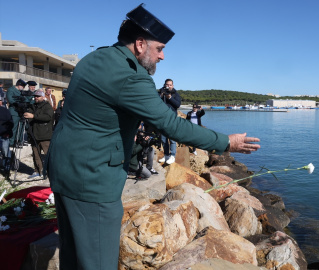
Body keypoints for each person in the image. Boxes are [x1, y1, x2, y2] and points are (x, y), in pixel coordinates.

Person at [45, 4, 260, 270]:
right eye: (159, 48)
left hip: (63, 168)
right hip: (92, 179)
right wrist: (227, 142)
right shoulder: (129, 76)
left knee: (72, 255)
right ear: (139, 44)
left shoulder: (95, 59)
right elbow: (172, 125)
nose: (162, 56)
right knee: (97, 261)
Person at [23, 90, 54, 179]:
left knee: (48, 155)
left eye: (38, 96)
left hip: (44, 135)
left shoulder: (47, 106)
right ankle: (38, 170)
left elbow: (48, 117)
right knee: (36, 155)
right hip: (34, 134)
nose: (36, 98)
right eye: (35, 96)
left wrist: (33, 116)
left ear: (43, 97)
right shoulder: (32, 106)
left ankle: (51, 171)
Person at [158, 78, 181, 164]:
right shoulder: (161, 92)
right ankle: (166, 155)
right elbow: (156, 102)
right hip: (163, 118)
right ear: (164, 85)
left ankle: (173, 155)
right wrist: (161, 95)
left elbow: (177, 105)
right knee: (163, 139)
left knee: (172, 138)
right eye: (167, 85)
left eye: (170, 85)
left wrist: (170, 98)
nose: (168, 87)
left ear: (173, 85)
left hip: (172, 119)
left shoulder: (175, 94)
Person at [6, 79, 31, 146]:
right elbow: (11, 100)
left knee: (21, 127)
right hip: (14, 111)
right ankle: (12, 142)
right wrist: (19, 103)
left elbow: (26, 99)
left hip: (21, 111)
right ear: (19, 85)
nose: (23, 88)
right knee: (14, 127)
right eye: (23, 86)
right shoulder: (11, 90)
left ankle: (19, 140)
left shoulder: (21, 91)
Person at [0, 99, 13, 170]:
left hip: (3, 135)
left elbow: (11, 123)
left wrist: (7, 132)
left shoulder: (5, 111)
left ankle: (7, 167)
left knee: (5, 152)